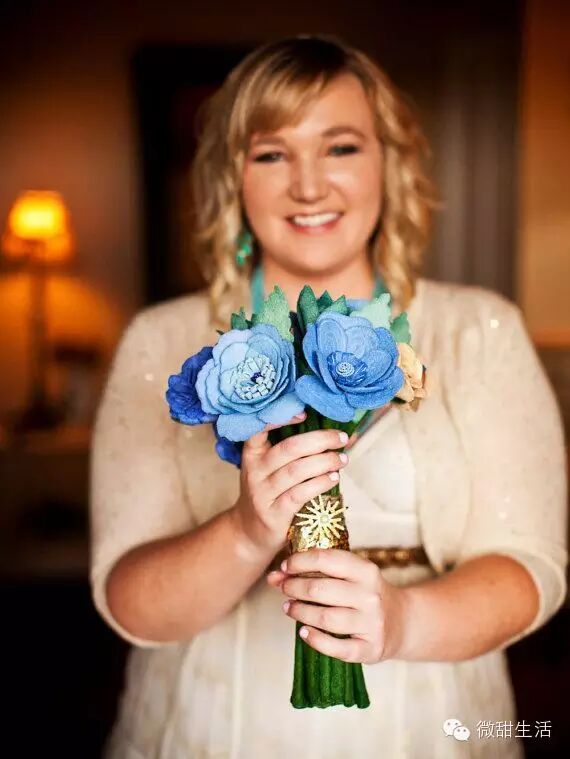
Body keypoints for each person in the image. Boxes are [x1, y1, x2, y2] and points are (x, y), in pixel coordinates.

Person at [90, 34, 567, 758]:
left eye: (340, 147)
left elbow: (531, 565)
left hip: (433, 722)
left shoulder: (480, 330)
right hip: (214, 723)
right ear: (231, 175)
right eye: (271, 154)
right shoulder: (159, 342)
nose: (309, 186)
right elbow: (129, 600)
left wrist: (403, 621)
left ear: (388, 163)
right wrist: (246, 530)